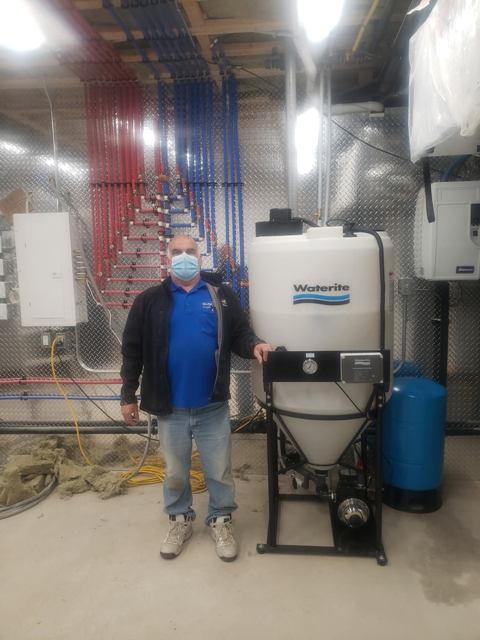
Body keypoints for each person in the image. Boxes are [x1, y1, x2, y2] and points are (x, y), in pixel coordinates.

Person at [120, 235, 272, 562]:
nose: (184, 256)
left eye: (190, 251)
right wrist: (127, 394)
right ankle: (180, 520)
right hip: (169, 408)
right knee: (175, 472)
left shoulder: (221, 296)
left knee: (219, 471)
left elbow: (240, 334)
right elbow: (132, 350)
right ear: (167, 257)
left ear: (200, 258)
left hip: (212, 406)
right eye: (177, 252)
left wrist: (255, 344)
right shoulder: (149, 301)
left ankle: (221, 520)